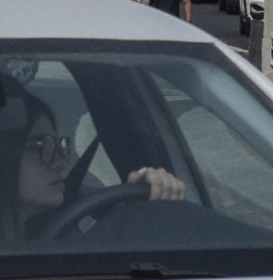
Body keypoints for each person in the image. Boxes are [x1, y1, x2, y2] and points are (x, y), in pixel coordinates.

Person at [11, 94, 183, 238]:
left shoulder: (68, 233)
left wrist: (147, 205)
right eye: (41, 147)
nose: (60, 163)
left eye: (59, 147)